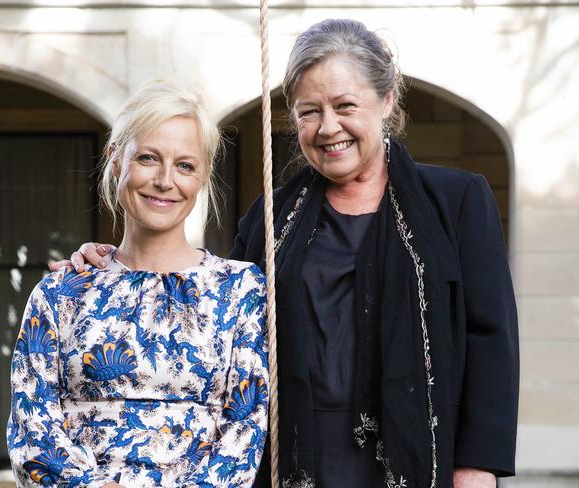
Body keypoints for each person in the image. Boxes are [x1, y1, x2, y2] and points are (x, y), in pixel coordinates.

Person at [54, 19, 519, 488]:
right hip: (296, 461)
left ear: (386, 100)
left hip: (420, 455)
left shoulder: (457, 201)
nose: (328, 127)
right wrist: (113, 264)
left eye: (345, 106)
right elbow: (207, 307)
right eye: (308, 112)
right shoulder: (270, 217)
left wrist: (476, 467)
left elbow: (491, 339)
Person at [7, 79, 269, 488]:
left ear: (202, 177)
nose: (165, 180)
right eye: (148, 158)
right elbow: (32, 423)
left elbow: (246, 428)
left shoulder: (241, 289)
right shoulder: (60, 293)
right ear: (115, 159)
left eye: (185, 165)